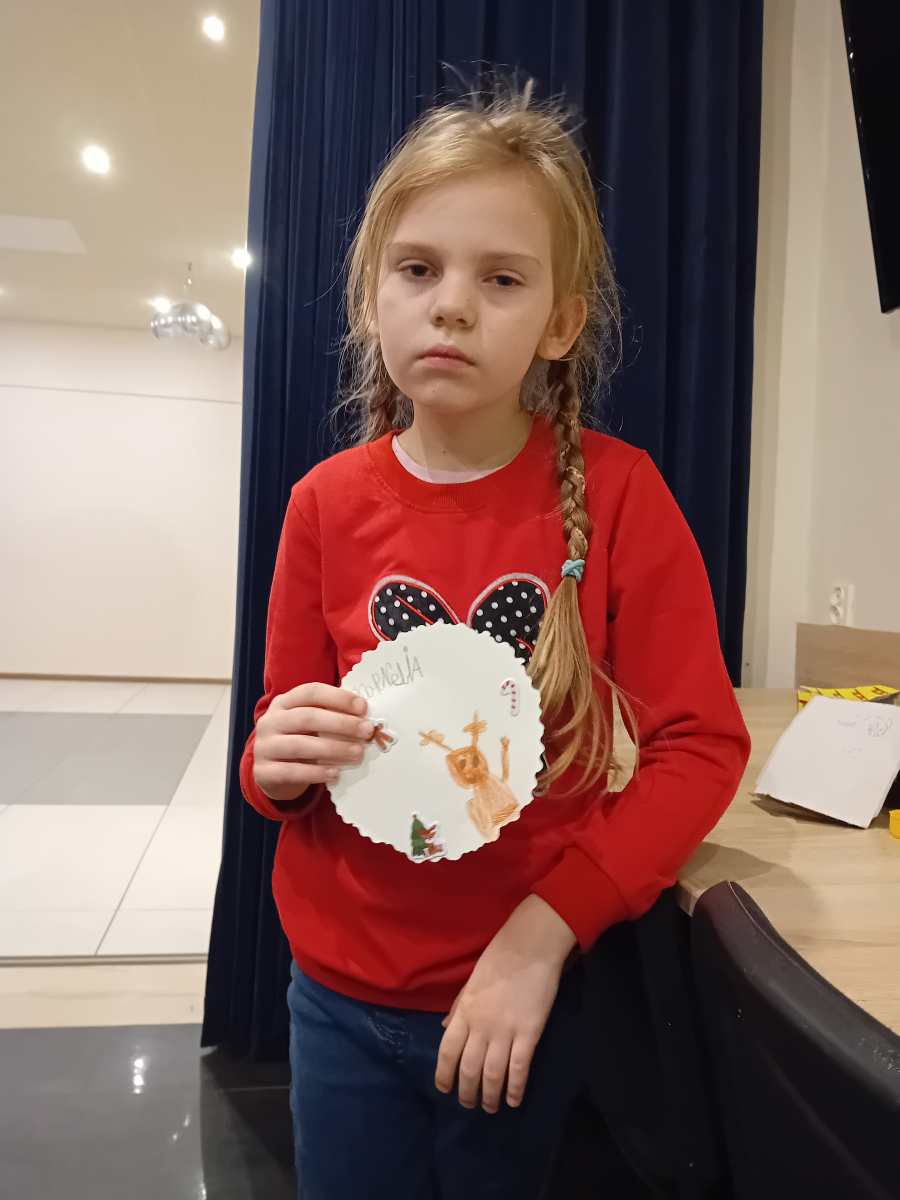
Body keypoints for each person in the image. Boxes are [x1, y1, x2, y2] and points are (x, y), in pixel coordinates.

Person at [241, 81, 751, 1200]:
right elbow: (283, 739)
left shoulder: (622, 497)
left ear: (561, 324)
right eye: (418, 269)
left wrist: (544, 932)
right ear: (373, 298)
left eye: (503, 279)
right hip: (337, 995)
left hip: (521, 995)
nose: (453, 307)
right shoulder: (322, 505)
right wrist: (273, 763)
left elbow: (701, 747)